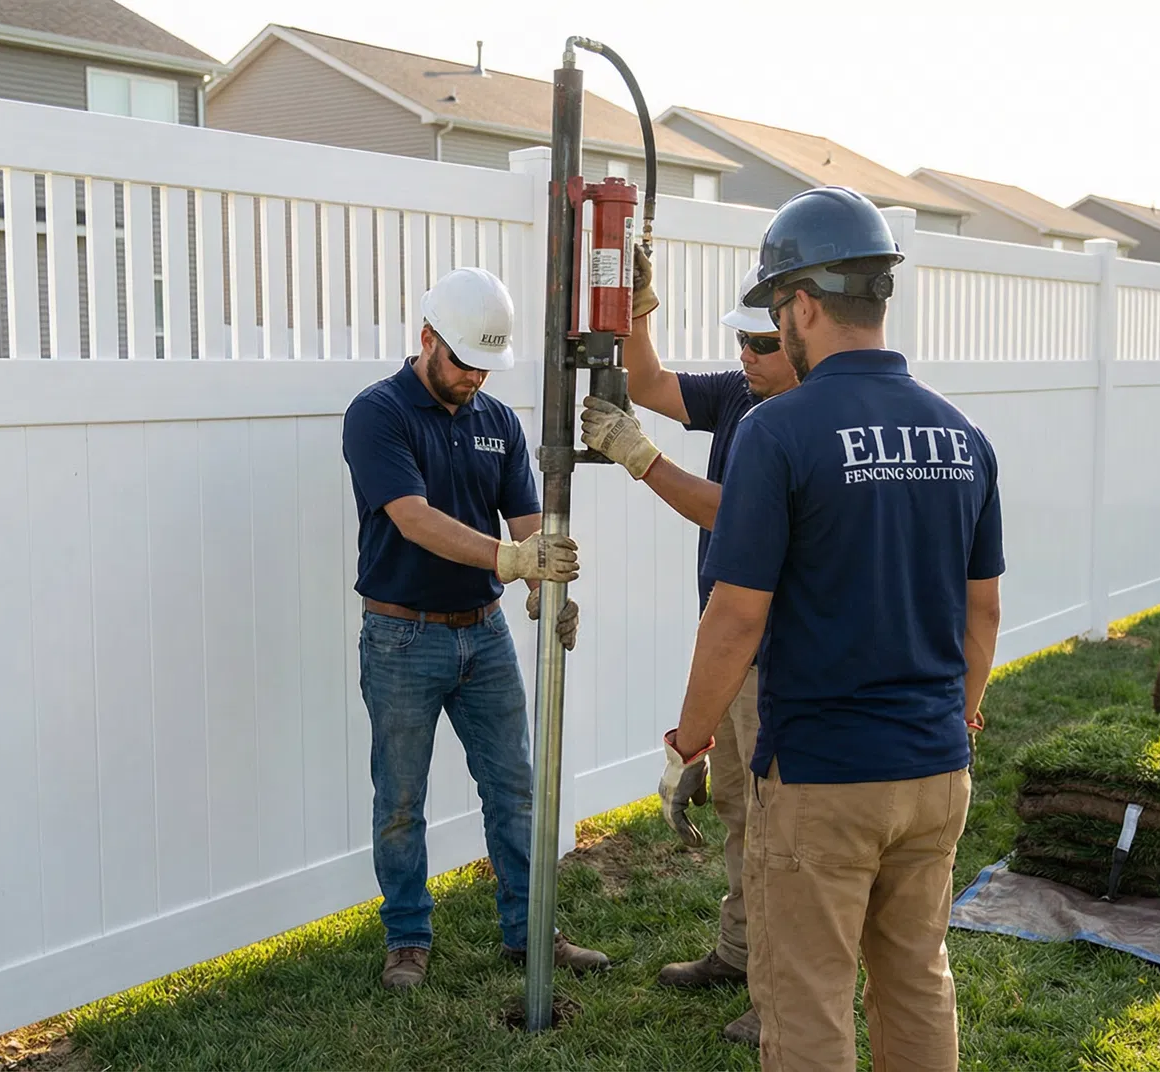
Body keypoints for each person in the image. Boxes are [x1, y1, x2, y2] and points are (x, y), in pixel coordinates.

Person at [657, 187, 1004, 1071]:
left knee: (807, 1002)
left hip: (823, 779)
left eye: (777, 312)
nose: (775, 330)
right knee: (917, 983)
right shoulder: (962, 437)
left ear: (804, 304)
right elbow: (983, 608)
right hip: (936, 773)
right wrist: (959, 713)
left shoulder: (780, 432)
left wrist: (690, 742)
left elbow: (736, 616)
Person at [341, 266, 612, 990]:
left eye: (486, 367)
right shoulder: (378, 414)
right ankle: (407, 940)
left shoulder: (496, 422)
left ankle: (530, 933)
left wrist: (543, 582)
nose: (474, 379)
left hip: (483, 634)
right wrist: (510, 556)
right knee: (400, 799)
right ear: (426, 338)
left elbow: (528, 522)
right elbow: (413, 518)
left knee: (514, 790)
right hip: (402, 638)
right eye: (462, 363)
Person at [578, 252, 798, 1046]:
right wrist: (639, 306)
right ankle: (740, 953)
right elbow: (649, 384)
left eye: (762, 345)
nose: (747, 356)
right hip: (737, 652)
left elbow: (730, 516)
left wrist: (641, 459)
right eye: (741, 341)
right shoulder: (745, 394)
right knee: (743, 808)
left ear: (800, 337)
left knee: (778, 829)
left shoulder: (795, 425)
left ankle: (780, 992)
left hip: (777, 656)